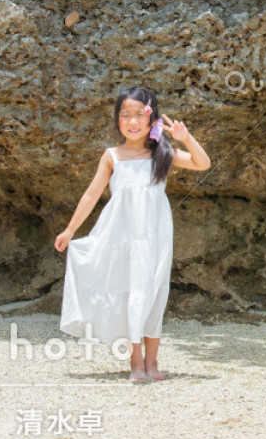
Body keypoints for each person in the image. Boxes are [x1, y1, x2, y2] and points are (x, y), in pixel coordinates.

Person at [55, 86, 210, 382]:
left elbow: (203, 164)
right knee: (132, 293)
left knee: (155, 291)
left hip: (156, 235)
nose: (132, 121)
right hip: (122, 236)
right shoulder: (112, 155)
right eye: (125, 115)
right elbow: (91, 194)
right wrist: (70, 229)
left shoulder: (162, 153)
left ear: (152, 120)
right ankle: (136, 362)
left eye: (140, 114)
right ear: (117, 120)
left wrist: (185, 138)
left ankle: (153, 363)